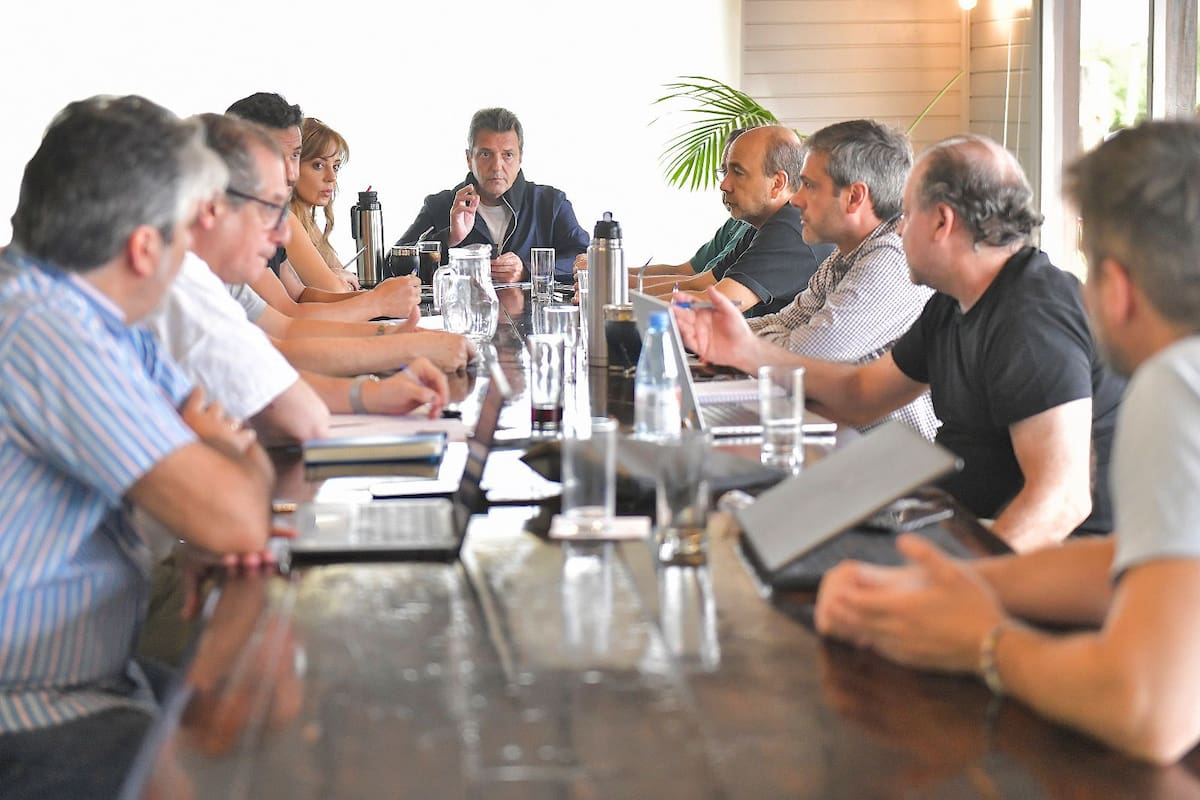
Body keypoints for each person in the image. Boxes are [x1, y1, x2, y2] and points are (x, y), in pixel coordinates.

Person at [815, 118, 1200, 765]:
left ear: (1118, 286)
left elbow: (1145, 710)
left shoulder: (1175, 384)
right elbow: (1136, 565)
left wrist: (983, 640)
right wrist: (967, 584)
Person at [0, 95, 274, 798]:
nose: (191, 253)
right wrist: (219, 484)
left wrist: (223, 476)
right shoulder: (43, 326)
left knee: (267, 717)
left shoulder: (103, 321)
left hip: (94, 678)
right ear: (145, 248)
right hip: (34, 717)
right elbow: (237, 515)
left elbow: (235, 460)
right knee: (268, 764)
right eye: (186, 232)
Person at [676, 134, 1123, 552]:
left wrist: (946, 587)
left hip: (1028, 557)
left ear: (942, 222)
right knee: (761, 533)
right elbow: (861, 394)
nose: (897, 231)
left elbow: (1061, 502)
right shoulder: (953, 304)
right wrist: (745, 351)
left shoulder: (1031, 314)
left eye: (905, 215)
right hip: (949, 517)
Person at [144, 113, 449, 443]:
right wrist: (394, 341)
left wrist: (389, 350)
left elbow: (279, 339)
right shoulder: (180, 289)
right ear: (212, 207)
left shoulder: (209, 274)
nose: (280, 233)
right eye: (270, 206)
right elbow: (292, 373)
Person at [672, 120, 939, 438]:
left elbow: (805, 356)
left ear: (854, 197)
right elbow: (788, 322)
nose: (795, 200)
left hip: (885, 460)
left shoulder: (890, 259)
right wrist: (730, 338)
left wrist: (737, 343)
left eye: (809, 186)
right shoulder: (845, 255)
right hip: (828, 434)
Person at [226, 92, 421, 322]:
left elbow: (300, 295)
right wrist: (377, 303)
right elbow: (289, 318)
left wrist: (380, 299)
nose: (292, 173)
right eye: (278, 158)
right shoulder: (238, 224)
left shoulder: (269, 216)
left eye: (295, 156)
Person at [397, 107, 589, 283]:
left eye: (507, 155)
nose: (497, 166)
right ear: (469, 159)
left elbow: (584, 256)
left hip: (536, 319)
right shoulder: (440, 205)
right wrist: (449, 237)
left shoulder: (551, 204)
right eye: (486, 154)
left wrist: (529, 269)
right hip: (462, 317)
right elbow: (393, 265)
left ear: (520, 158)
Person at [668, 125, 833, 317]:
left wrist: (629, 309)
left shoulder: (792, 228)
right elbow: (699, 284)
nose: (724, 185)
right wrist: (630, 296)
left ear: (777, 183)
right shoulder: (763, 224)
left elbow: (714, 306)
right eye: (725, 172)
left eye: (738, 172)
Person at [287, 116, 360, 289]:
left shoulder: (306, 221)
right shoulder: (287, 221)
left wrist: (337, 277)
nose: (331, 177)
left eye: (335, 166)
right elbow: (337, 291)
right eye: (318, 165)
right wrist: (336, 279)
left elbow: (349, 282)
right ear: (292, 165)